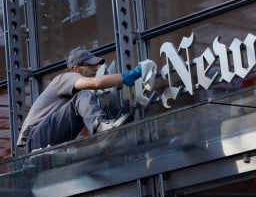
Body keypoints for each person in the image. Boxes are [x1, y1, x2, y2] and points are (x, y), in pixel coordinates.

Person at [17, 49, 156, 152]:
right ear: (76, 68)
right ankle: (102, 127)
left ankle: (103, 130)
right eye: (90, 65)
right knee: (83, 96)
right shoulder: (65, 78)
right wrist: (136, 72)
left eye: (96, 65)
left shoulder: (72, 101)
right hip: (35, 138)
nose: (96, 68)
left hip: (44, 143)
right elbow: (97, 83)